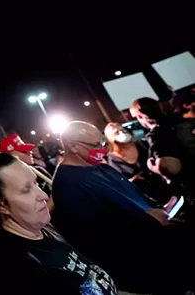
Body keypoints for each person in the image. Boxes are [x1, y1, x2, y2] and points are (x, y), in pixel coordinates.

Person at [51, 121, 191, 294]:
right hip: (140, 263)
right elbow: (96, 234)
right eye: (95, 145)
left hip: (160, 245)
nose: (102, 149)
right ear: (73, 146)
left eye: (102, 142)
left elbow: (134, 199)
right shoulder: (68, 184)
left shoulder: (102, 168)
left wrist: (161, 209)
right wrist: (148, 220)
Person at [0, 148, 116, 295]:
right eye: (26, 190)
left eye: (35, 183)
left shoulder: (43, 230)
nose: (43, 195)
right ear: (0, 205)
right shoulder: (14, 269)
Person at [130, 97, 194, 191]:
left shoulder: (156, 136)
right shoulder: (183, 120)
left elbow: (169, 166)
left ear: (139, 116)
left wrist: (157, 169)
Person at [104, 122, 174, 204]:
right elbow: (121, 183)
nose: (122, 133)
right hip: (150, 197)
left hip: (167, 185)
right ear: (110, 139)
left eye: (122, 130)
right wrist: (134, 180)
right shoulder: (113, 160)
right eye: (117, 133)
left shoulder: (142, 144)